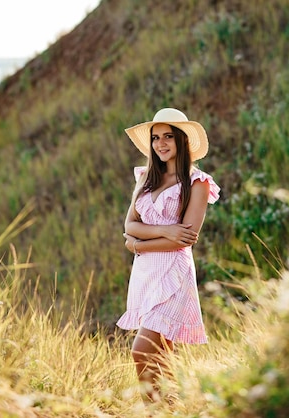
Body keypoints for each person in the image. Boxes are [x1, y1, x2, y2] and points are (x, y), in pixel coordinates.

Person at [117, 108, 220, 403]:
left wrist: (139, 244)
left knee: (142, 350)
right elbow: (129, 225)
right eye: (156, 138)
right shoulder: (146, 178)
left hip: (173, 274)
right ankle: (170, 409)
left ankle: (153, 411)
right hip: (145, 274)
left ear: (183, 141)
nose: (161, 144)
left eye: (168, 137)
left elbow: (184, 238)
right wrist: (161, 235)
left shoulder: (197, 182)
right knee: (162, 358)